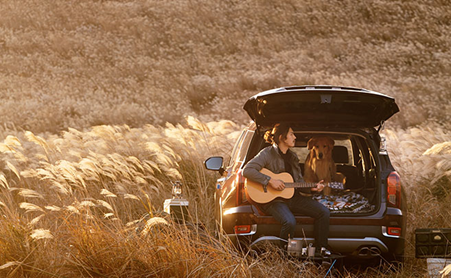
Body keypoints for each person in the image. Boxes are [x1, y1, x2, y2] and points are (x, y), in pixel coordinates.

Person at [242, 123, 331, 256]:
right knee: (289, 222)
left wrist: (313, 188)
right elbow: (247, 170)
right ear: (282, 137)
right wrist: (270, 181)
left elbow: (298, 183)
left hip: (293, 197)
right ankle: (284, 255)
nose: (294, 137)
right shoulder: (266, 154)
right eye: (291, 134)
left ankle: (322, 249)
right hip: (273, 200)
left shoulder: (293, 157)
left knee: (323, 212)